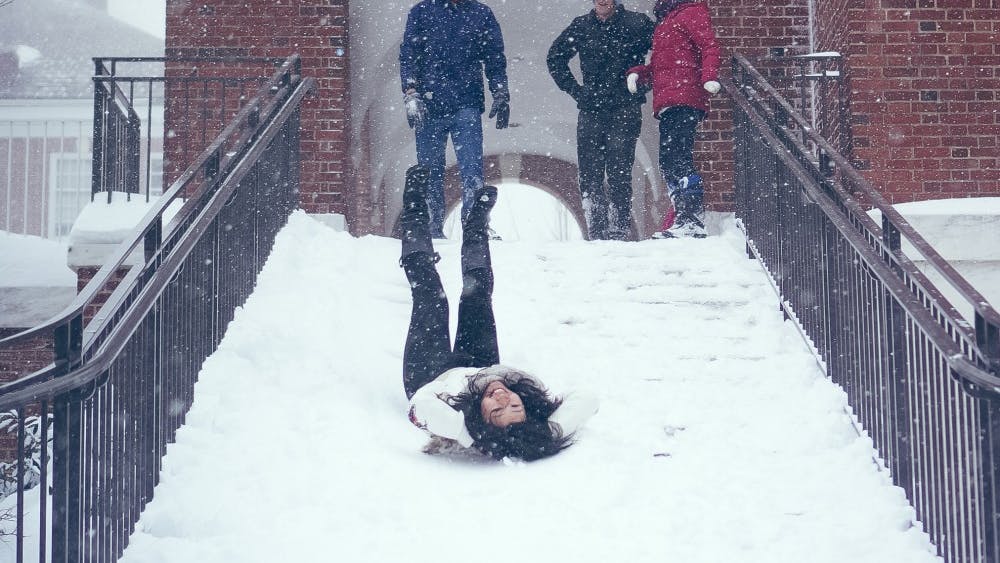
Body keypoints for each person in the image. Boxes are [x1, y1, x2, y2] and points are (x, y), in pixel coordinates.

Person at [398, 164, 598, 461]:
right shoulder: (520, 387)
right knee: (475, 292)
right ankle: (476, 225)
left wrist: (468, 434)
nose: (504, 399)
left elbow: (421, 405)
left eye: (496, 411)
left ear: (478, 420)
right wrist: (549, 431)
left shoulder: (450, 412)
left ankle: (413, 205)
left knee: (430, 296)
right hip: (482, 364)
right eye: (515, 407)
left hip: (430, 376)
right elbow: (587, 400)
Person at [399, 0, 511, 239]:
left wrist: (500, 90)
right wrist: (410, 92)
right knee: (430, 171)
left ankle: (474, 226)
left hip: (466, 102)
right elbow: (408, 53)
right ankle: (431, 228)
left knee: (472, 168)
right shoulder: (421, 12)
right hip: (429, 105)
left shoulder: (480, 14)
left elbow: (493, 56)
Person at [547, 0, 655, 241]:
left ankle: (618, 230)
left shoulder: (637, 23)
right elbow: (555, 58)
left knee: (619, 170)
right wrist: (576, 90)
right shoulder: (582, 26)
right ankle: (596, 230)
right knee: (590, 172)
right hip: (591, 109)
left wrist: (643, 81)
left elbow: (665, 52)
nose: (602, 1)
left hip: (625, 107)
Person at [627, 0, 721, 238]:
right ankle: (682, 216)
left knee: (679, 158)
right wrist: (640, 74)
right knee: (668, 160)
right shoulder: (666, 21)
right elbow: (661, 64)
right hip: (668, 102)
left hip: (686, 97)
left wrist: (709, 77)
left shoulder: (691, 12)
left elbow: (709, 46)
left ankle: (692, 219)